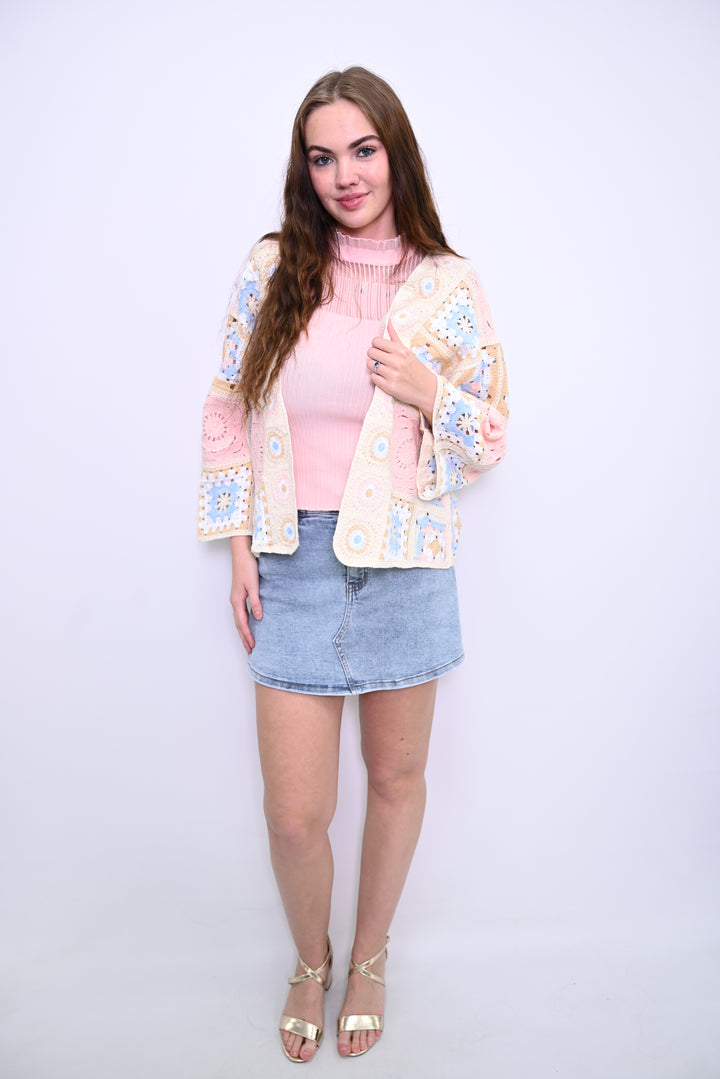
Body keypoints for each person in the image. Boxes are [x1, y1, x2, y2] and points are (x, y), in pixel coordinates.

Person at [198, 66, 508, 1063]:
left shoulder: (447, 285)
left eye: (363, 150)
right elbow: (227, 407)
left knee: (395, 777)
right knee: (295, 815)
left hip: (407, 563)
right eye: (323, 156)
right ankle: (310, 957)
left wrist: (428, 390)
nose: (345, 175)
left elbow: (490, 438)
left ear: (395, 152)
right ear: (305, 169)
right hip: (292, 557)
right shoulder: (272, 267)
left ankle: (369, 957)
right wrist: (241, 546)